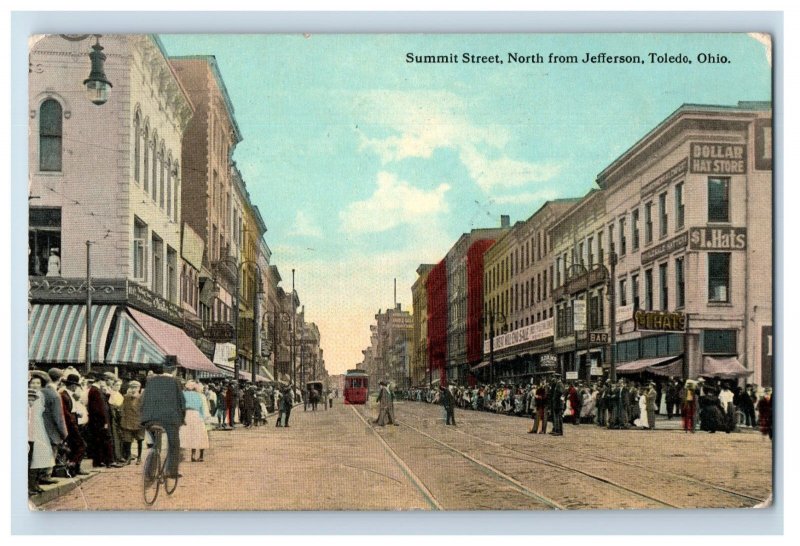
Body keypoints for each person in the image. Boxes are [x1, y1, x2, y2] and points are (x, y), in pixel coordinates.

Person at [138, 364, 186, 480]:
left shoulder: (151, 381)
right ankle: (171, 471)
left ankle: (149, 473)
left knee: (156, 445)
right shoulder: (175, 382)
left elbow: (142, 401)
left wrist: (144, 418)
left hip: (150, 419)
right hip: (169, 419)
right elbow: (182, 403)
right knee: (174, 444)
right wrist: (182, 419)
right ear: (174, 371)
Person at [86, 377, 118, 468]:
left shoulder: (94, 390)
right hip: (100, 420)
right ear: (100, 381)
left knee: (99, 440)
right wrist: (105, 421)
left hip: (97, 420)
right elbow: (101, 408)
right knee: (106, 439)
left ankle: (99, 461)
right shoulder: (96, 391)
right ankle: (109, 461)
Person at [59, 373, 87, 476]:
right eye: (76, 386)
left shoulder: (69, 395)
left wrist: (76, 414)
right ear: (73, 386)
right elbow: (66, 413)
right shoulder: (64, 395)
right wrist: (73, 421)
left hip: (74, 423)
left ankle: (75, 467)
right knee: (81, 445)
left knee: (75, 446)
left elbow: (71, 409)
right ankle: (73, 465)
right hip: (70, 425)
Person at [28, 387, 54, 495]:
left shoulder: (34, 411)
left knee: (36, 461)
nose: (31, 401)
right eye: (29, 399)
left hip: (34, 437)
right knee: (29, 462)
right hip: (28, 438)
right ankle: (30, 486)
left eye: (33, 399)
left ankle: (34, 484)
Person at [180, 381, 210, 462]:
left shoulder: (183, 394)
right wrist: (205, 418)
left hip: (187, 415)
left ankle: (192, 455)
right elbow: (203, 409)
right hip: (197, 415)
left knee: (191, 435)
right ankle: (201, 456)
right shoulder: (200, 396)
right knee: (201, 435)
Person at [120, 380, 145, 465]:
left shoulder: (142, 398)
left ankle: (139, 457)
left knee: (139, 440)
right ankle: (128, 457)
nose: (133, 389)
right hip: (128, 422)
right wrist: (123, 420)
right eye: (131, 387)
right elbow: (123, 409)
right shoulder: (126, 397)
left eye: (135, 387)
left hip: (138, 422)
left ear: (139, 388)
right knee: (127, 441)